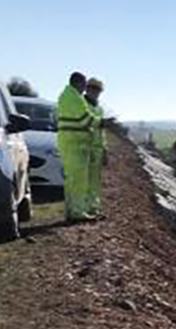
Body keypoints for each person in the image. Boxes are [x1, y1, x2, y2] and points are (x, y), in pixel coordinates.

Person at [56, 72, 98, 222]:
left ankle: (71, 211)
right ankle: (78, 213)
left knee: (71, 179)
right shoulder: (73, 98)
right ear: (78, 83)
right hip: (74, 143)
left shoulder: (67, 95)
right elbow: (85, 120)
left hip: (70, 142)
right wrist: (103, 123)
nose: (85, 89)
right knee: (78, 180)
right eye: (84, 85)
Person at [83, 78, 107, 216]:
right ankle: (83, 208)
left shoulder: (99, 108)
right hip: (85, 148)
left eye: (98, 90)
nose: (95, 92)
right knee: (84, 181)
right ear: (87, 89)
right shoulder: (82, 105)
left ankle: (93, 207)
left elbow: (101, 131)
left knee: (95, 182)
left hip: (97, 148)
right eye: (92, 89)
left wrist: (104, 149)